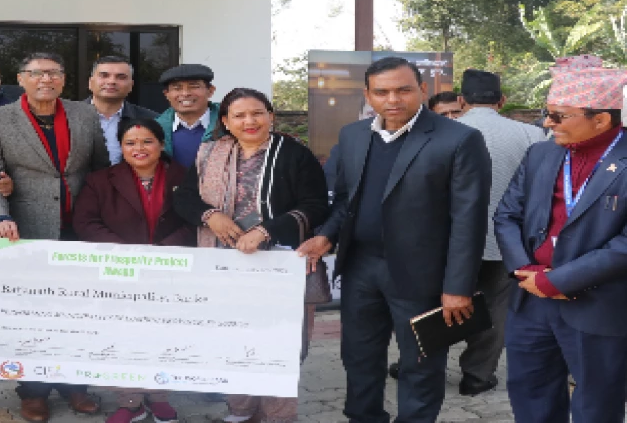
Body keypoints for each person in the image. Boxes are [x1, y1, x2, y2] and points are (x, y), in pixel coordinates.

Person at [297, 57, 491, 422]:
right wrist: (326, 236)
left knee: (421, 363)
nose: (393, 99)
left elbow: (469, 219)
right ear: (368, 94)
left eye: (403, 90)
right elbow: (345, 201)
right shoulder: (354, 136)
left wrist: (457, 287)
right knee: (358, 357)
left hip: (422, 275)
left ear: (422, 89)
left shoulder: (459, 139)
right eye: (382, 92)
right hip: (361, 268)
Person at [174, 88, 329, 423]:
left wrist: (267, 230)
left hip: (279, 265)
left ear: (271, 116)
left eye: (257, 113)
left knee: (279, 342)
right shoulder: (209, 153)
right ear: (226, 121)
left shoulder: (294, 154)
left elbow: (316, 205)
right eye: (239, 115)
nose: (250, 121)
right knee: (234, 336)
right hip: (225, 266)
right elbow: (184, 198)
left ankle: (278, 416)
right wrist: (210, 216)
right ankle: (241, 410)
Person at [386, 70, 544, 393]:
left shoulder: (442, 133)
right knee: (495, 309)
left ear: (461, 100)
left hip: (445, 241)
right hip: (505, 241)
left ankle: (417, 365)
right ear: (502, 100)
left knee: (431, 304)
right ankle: (477, 376)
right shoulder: (532, 135)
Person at [0, 52, 109, 422]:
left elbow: (101, 170)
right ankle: (33, 391)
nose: (45, 80)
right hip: (26, 229)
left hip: (80, 228)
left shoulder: (85, 115)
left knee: (80, 313)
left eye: (53, 73)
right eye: (36, 73)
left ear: (64, 79)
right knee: (32, 316)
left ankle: (76, 385)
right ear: (21, 79)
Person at [495, 55, 627, 423]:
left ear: (600, 119)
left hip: (597, 303)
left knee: (596, 406)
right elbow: (507, 215)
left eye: (558, 115)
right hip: (531, 298)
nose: (546, 123)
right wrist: (525, 269)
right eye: (547, 113)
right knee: (530, 397)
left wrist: (561, 280)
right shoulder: (541, 153)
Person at [72, 118, 192, 423]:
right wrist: (126, 253)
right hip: (119, 271)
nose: (139, 148)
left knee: (164, 335)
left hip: (169, 269)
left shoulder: (185, 176)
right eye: (130, 143)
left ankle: (160, 396)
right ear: (121, 147)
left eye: (147, 141)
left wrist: (162, 250)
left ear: (161, 144)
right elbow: (85, 222)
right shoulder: (100, 180)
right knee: (123, 336)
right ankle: (130, 401)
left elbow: (195, 220)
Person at [84, 56, 158, 164]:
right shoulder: (68, 116)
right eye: (104, 75)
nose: (111, 81)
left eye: (121, 77)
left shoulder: (151, 120)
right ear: (90, 82)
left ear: (131, 85)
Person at [154, 64, 219, 168]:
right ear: (166, 94)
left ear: (210, 91)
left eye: (194, 86)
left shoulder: (228, 125)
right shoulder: (155, 129)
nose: (185, 93)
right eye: (177, 88)